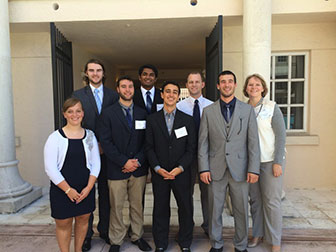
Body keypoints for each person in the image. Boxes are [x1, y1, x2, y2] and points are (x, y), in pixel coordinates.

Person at [198, 70, 260, 252]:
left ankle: (240, 245)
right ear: (218, 86)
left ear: (234, 84)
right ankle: (216, 244)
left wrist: (253, 169)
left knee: (241, 210)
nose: (226, 84)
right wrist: (203, 169)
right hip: (215, 168)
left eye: (230, 81)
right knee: (214, 210)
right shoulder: (208, 112)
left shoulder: (247, 110)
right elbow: (203, 143)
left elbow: (253, 142)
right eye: (223, 82)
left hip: (240, 169)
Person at [97, 76, 152, 252]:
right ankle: (116, 239)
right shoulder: (107, 113)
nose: (127, 90)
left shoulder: (143, 113)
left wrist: (136, 161)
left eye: (130, 87)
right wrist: (124, 161)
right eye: (124, 87)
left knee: (137, 205)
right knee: (116, 206)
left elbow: (147, 142)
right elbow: (105, 142)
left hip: (138, 168)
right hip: (116, 168)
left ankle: (137, 235)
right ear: (118, 89)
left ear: (134, 90)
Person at [72, 59, 118, 251]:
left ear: (103, 73)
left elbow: (117, 123)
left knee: (107, 194)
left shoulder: (113, 95)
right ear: (86, 73)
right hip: (86, 152)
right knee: (87, 192)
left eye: (98, 70)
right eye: (91, 70)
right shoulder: (77, 95)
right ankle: (87, 234)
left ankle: (105, 230)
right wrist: (92, 145)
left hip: (108, 153)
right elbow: (75, 121)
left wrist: (105, 145)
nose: (95, 73)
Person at [44, 98, 100, 252]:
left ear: (83, 113)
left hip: (85, 188)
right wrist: (68, 190)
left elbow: (96, 163)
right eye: (70, 111)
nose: (74, 114)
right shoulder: (55, 138)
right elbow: (50, 168)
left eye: (78, 111)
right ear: (64, 114)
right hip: (62, 189)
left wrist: (89, 187)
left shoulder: (90, 136)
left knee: (83, 220)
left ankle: (78, 250)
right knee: (64, 223)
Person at [145, 81, 196, 252]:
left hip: (181, 173)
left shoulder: (187, 120)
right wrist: (157, 168)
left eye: (175, 92)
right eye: (168, 91)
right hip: (160, 173)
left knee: (186, 208)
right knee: (160, 208)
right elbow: (149, 147)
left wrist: (180, 167)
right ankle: (160, 242)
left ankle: (185, 242)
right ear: (162, 94)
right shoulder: (152, 120)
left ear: (178, 95)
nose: (171, 95)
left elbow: (191, 149)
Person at [243, 74, 286, 252]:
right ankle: (258, 234)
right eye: (250, 85)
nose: (254, 87)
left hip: (269, 162)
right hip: (250, 164)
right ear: (246, 88)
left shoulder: (272, 107)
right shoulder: (242, 109)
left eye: (257, 84)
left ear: (263, 88)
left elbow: (281, 136)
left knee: (272, 202)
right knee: (255, 201)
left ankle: (275, 240)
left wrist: (278, 162)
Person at [176, 72, 213, 236]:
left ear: (203, 84)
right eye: (191, 82)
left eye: (197, 82)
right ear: (187, 85)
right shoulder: (179, 106)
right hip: (186, 157)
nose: (194, 85)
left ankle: (209, 226)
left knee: (208, 194)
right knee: (185, 194)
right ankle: (187, 227)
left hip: (207, 156)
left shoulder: (212, 106)